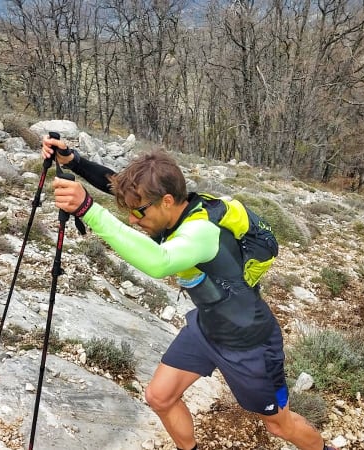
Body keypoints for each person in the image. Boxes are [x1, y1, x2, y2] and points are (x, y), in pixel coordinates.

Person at [41, 135, 336, 450]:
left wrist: (89, 210)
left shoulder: (202, 231)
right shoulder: (171, 209)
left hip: (249, 344)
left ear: (166, 200)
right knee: (160, 397)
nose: (132, 219)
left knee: (279, 425)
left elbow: (160, 262)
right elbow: (116, 184)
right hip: (207, 328)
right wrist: (74, 162)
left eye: (138, 212)